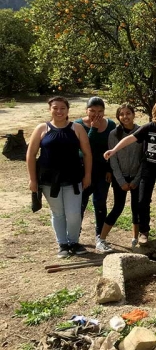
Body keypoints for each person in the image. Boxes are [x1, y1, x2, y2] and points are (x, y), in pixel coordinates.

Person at [104, 100, 156, 245]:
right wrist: (114, 150)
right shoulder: (149, 127)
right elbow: (130, 138)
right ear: (155, 113)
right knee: (142, 201)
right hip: (148, 169)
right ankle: (144, 232)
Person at [27, 97, 92, 257]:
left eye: (62, 108)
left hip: (73, 178)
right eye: (55, 108)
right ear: (50, 110)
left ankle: (74, 242)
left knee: (74, 213)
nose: (59, 111)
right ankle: (62, 244)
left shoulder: (77, 128)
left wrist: (87, 175)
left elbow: (87, 153)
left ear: (67, 110)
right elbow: (31, 154)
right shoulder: (42, 129)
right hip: (49, 179)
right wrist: (33, 179)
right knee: (58, 213)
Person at [75, 97, 116, 247]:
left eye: (100, 111)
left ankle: (100, 236)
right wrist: (93, 128)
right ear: (86, 110)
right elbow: (84, 149)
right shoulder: (78, 125)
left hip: (102, 171)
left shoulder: (110, 125)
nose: (96, 114)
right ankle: (74, 235)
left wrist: (110, 169)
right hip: (83, 170)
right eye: (92, 111)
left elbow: (112, 148)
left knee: (100, 202)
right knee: (80, 203)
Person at [103, 103, 144, 250]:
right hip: (120, 177)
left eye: (128, 113)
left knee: (137, 208)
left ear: (134, 114)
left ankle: (135, 238)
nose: (125, 117)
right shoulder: (114, 134)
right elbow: (112, 159)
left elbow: (144, 158)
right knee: (118, 207)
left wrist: (136, 180)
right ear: (118, 117)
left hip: (136, 178)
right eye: (122, 114)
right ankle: (102, 238)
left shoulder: (141, 132)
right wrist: (120, 181)